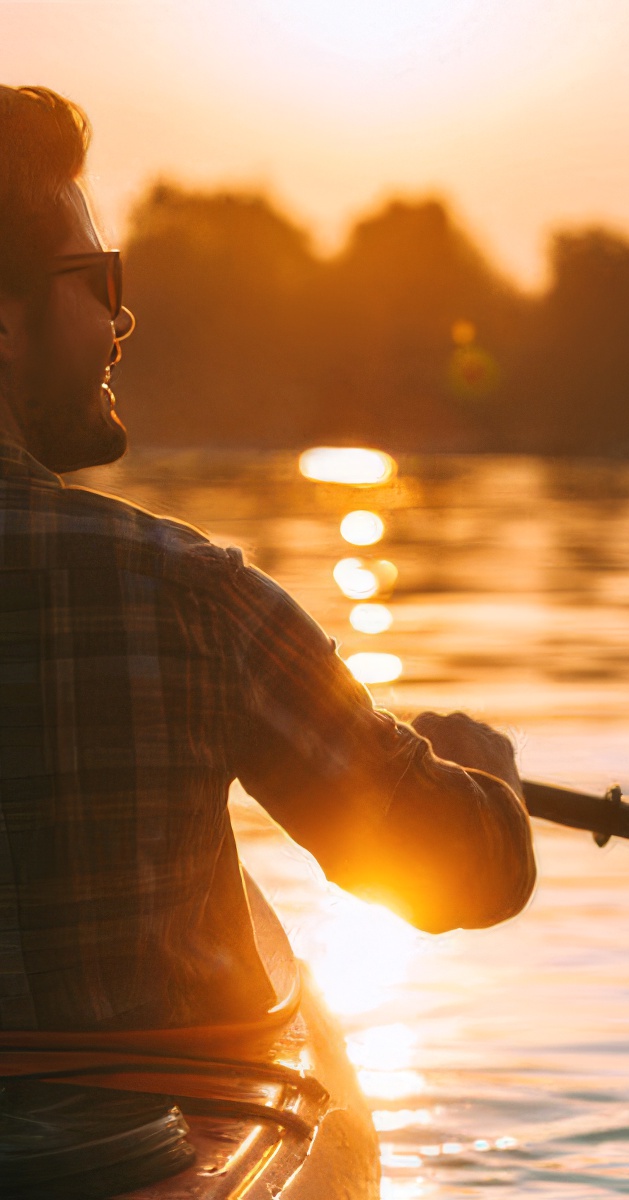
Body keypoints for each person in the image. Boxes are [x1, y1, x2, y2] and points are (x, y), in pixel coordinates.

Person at [0, 85, 536, 1034]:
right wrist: (485, 784)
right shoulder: (185, 600)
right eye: (99, 280)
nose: (121, 322)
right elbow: (468, 871)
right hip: (134, 1149)